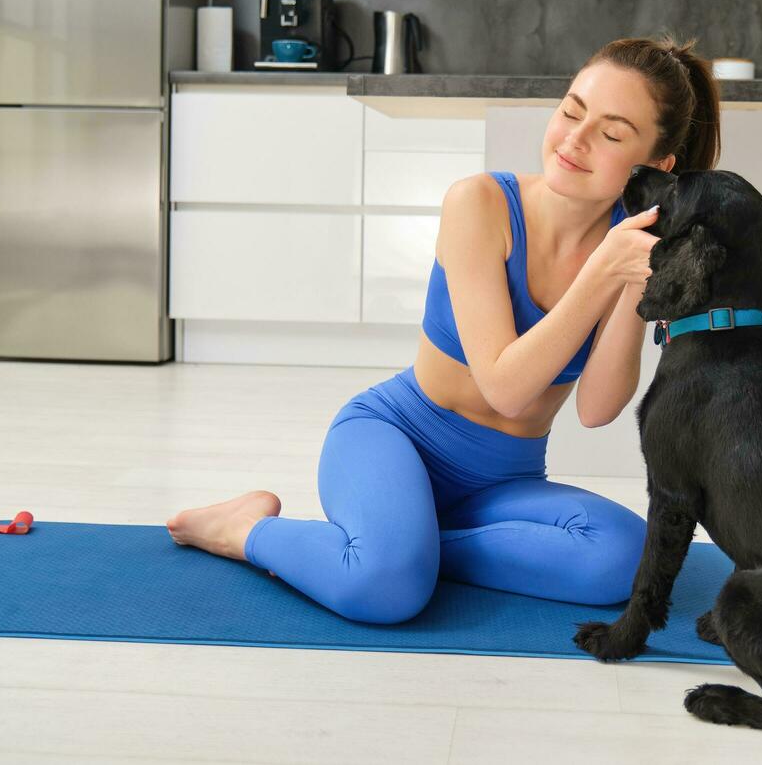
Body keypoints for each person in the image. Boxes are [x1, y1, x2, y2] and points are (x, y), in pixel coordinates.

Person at [167, 36, 723, 623]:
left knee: (625, 559)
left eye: (610, 133)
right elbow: (504, 387)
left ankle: (409, 547)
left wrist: (635, 276)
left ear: (657, 165)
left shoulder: (628, 246)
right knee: (386, 591)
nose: (574, 140)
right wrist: (601, 274)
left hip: (502, 485)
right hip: (392, 438)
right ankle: (247, 529)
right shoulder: (479, 204)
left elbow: (595, 409)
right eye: (570, 110)